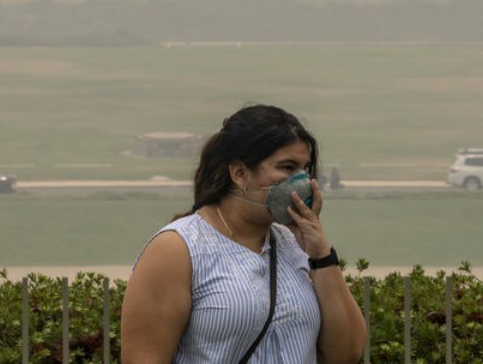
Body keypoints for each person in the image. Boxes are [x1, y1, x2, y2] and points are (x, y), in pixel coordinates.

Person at [121, 104, 366, 364]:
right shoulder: (178, 249)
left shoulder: (295, 247)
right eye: (287, 167)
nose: (301, 181)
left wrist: (321, 255)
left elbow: (347, 352)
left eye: (304, 169)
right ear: (239, 173)